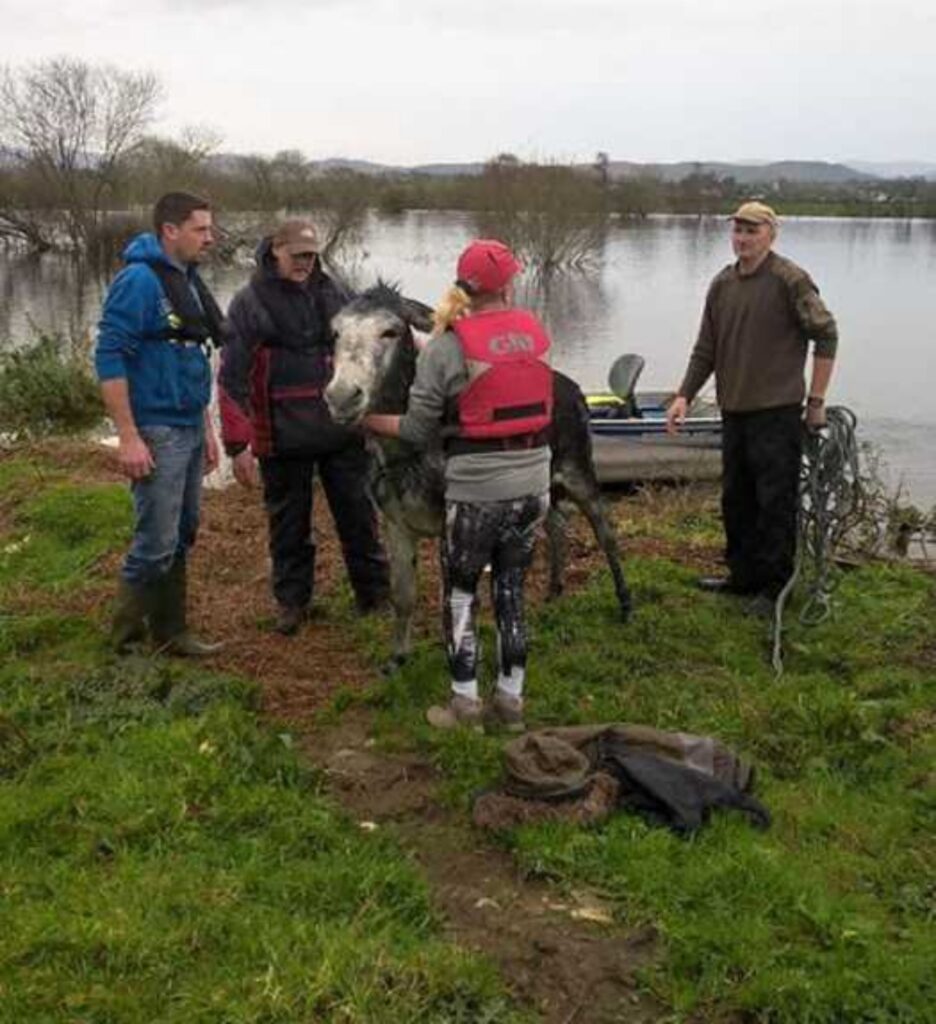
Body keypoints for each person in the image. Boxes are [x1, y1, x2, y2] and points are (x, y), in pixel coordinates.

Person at [364, 239, 551, 731]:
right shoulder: (535, 333)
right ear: (508, 284)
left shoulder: (448, 346)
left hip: (477, 490)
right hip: (535, 482)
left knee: (462, 594)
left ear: (461, 285)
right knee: (510, 590)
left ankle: (464, 705)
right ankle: (511, 703)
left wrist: (369, 420)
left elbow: (417, 430)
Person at [219, 219, 389, 635]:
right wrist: (237, 444)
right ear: (274, 251)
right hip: (280, 435)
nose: (304, 264)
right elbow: (231, 377)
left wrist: (377, 416)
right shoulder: (248, 303)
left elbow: (366, 354)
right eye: (296, 256)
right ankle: (292, 603)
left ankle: (375, 598)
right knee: (288, 527)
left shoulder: (338, 293)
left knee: (359, 518)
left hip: (342, 430)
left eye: (311, 256)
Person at [666, 201, 838, 607]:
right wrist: (684, 395)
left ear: (771, 235)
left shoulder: (790, 280)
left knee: (774, 502)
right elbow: (705, 348)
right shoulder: (722, 284)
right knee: (736, 499)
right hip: (734, 409)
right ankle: (741, 577)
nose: (742, 239)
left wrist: (816, 401)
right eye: (738, 231)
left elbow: (827, 334)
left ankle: (775, 588)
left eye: (752, 231)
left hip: (777, 411)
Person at [95, 191, 223, 655]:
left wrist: (207, 430)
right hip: (156, 430)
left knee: (183, 532)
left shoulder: (184, 279)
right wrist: (128, 437)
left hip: (188, 426)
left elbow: (193, 357)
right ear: (170, 230)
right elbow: (109, 357)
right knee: (155, 540)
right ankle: (125, 645)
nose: (210, 238)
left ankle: (172, 632)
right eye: (200, 229)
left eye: (210, 229)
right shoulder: (139, 281)